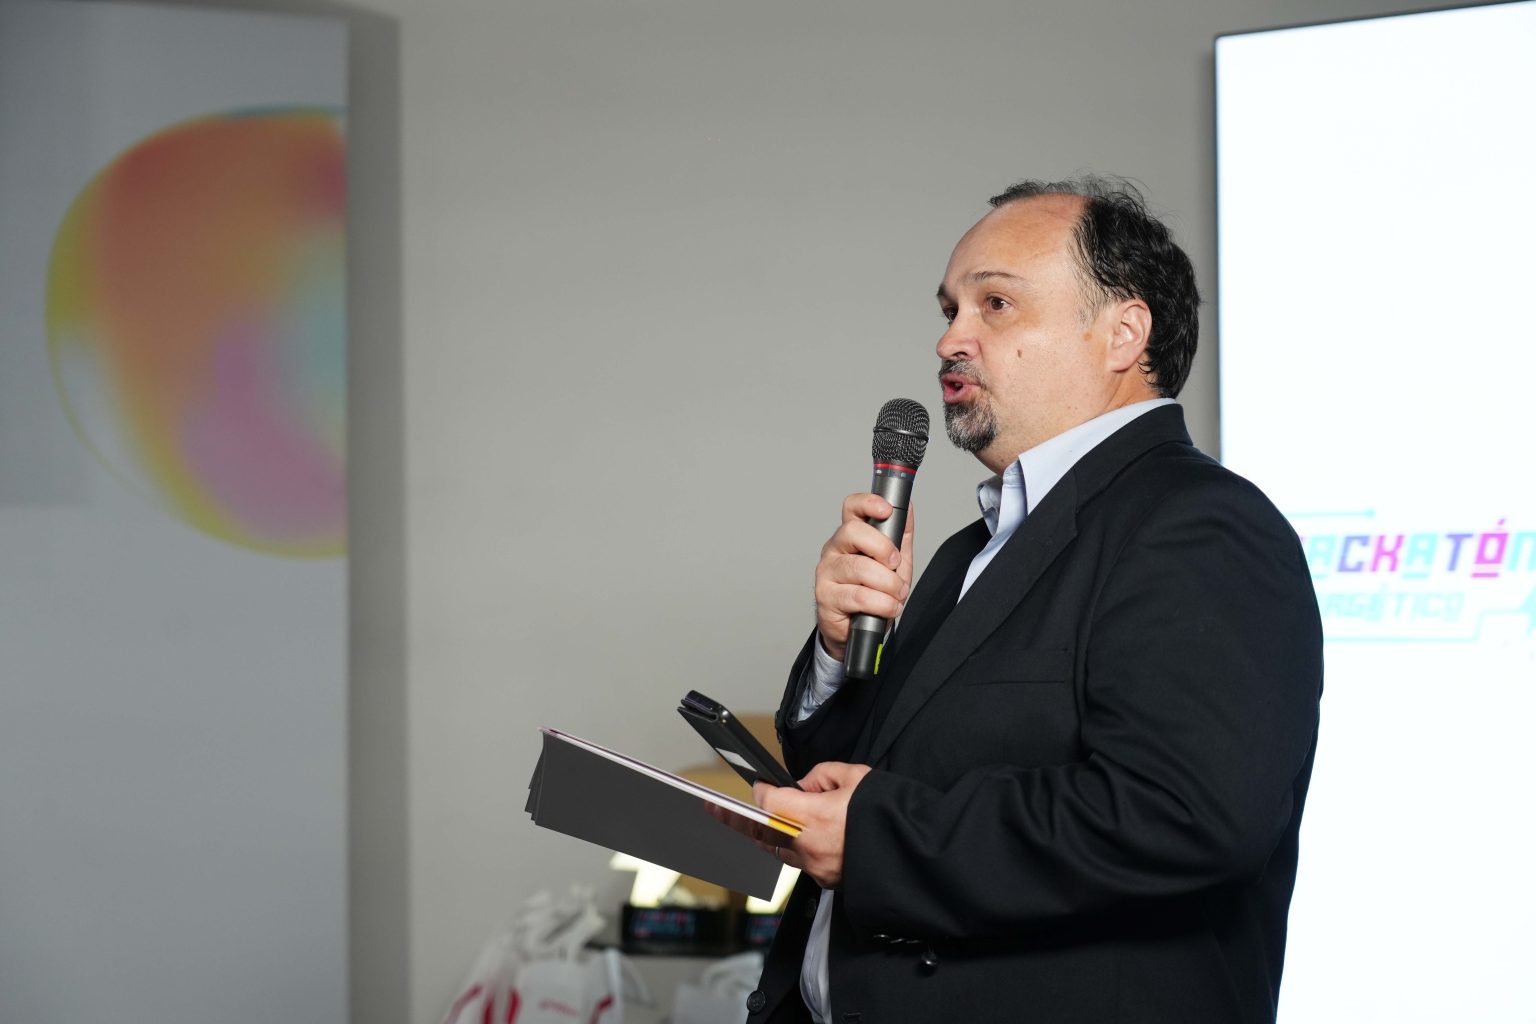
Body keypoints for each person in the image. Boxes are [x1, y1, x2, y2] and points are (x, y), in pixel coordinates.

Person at [742, 177, 1324, 1023]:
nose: (951, 339)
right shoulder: (970, 549)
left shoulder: (1201, 527)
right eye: (949, 310)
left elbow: (1184, 816)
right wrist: (838, 653)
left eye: (996, 304)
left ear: (1123, 333)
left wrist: (880, 839)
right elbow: (867, 776)